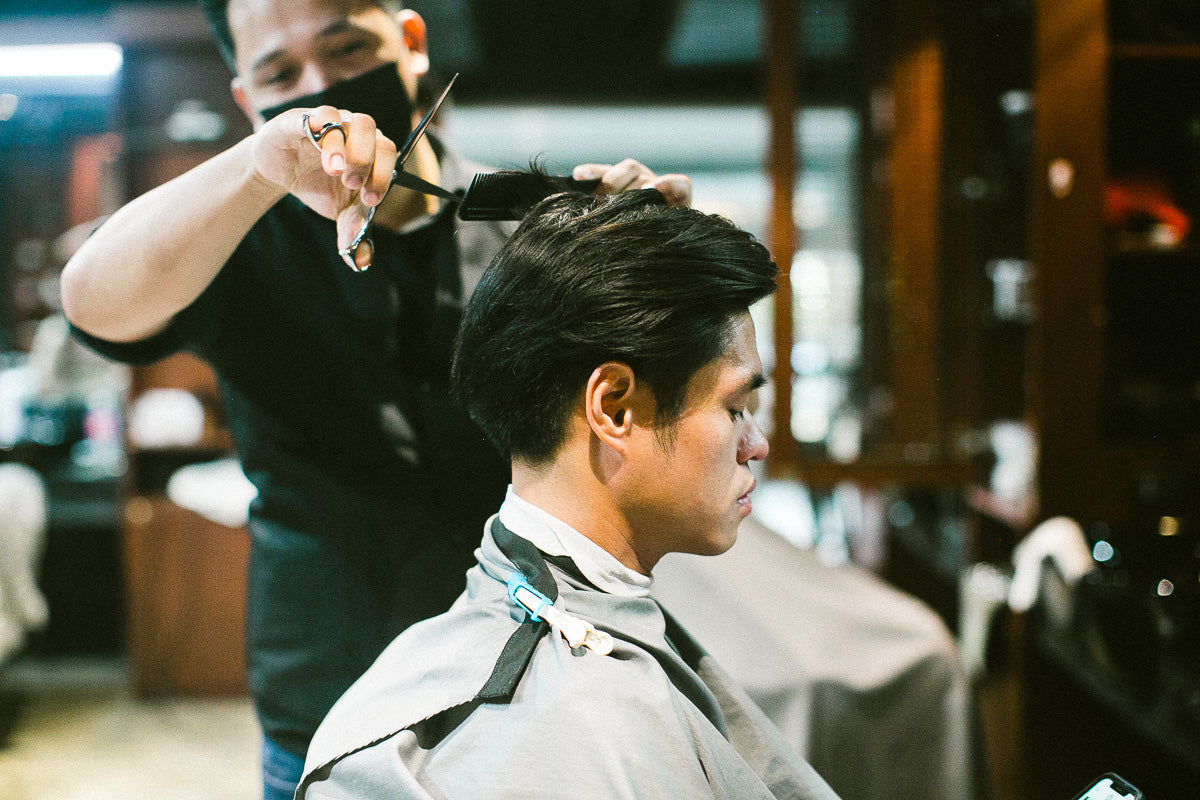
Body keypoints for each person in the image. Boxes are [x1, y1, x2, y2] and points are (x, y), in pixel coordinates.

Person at [58, 2, 691, 798]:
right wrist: (255, 167)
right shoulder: (234, 241)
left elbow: (649, 431)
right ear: (247, 100)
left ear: (412, 45)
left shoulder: (530, 225)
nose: (321, 88)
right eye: (279, 75)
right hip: (327, 693)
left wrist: (662, 274)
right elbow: (90, 303)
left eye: (347, 48)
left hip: (539, 686)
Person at [295, 186, 843, 800]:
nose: (757, 444)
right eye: (736, 407)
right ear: (613, 408)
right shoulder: (570, 722)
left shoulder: (492, 643)